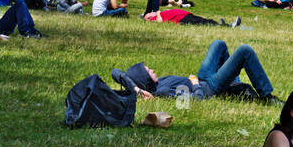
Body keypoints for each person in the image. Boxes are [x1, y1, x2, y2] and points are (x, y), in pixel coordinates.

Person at [114, 38, 274, 102]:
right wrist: (195, 83)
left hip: (204, 78)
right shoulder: (162, 91)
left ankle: (234, 86)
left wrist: (136, 89)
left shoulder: (154, 85)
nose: (153, 69)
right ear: (145, 78)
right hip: (210, 87)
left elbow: (116, 73)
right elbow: (196, 100)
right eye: (148, 70)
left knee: (219, 44)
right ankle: (267, 95)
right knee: (244, 51)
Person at [143, 7, 242, 28]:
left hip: (185, 15)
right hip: (182, 19)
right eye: (149, 14)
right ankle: (228, 26)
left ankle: (222, 25)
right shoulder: (155, 18)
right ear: (148, 18)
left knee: (204, 20)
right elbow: (160, 22)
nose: (152, 12)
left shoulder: (158, 13)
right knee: (202, 22)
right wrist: (158, 13)